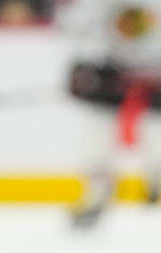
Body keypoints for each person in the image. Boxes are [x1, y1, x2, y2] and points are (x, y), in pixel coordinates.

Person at [57, 0, 161, 228]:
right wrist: (83, 68)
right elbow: (71, 25)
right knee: (97, 140)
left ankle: (155, 181)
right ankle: (98, 194)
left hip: (155, 83)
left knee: (156, 138)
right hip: (113, 78)